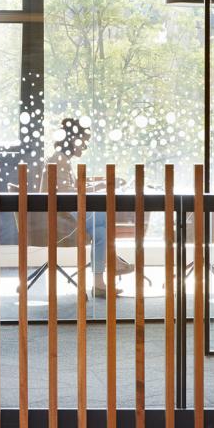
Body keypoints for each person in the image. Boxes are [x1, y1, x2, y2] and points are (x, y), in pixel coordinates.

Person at [40, 117, 134, 297]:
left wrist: (99, 183)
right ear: (72, 140)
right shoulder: (59, 159)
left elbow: (70, 188)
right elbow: (67, 192)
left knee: (100, 231)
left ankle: (99, 284)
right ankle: (113, 261)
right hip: (58, 220)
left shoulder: (61, 159)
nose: (84, 146)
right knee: (106, 217)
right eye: (83, 141)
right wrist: (99, 186)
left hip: (63, 214)